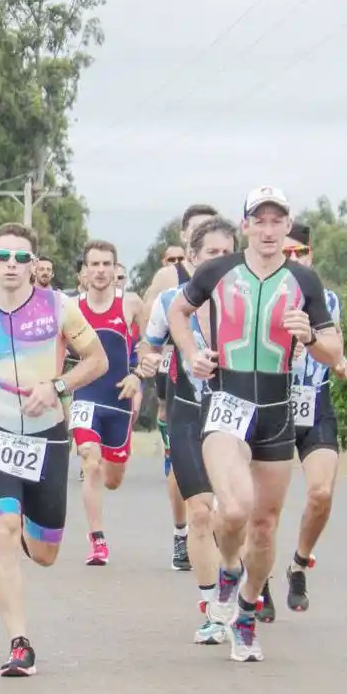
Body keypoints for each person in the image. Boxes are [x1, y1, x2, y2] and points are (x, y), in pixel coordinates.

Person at [168, 186, 342, 663]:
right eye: (259, 221)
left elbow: (334, 350)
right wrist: (190, 352)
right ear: (246, 225)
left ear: (287, 227)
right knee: (235, 507)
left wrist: (310, 336)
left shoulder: (304, 281)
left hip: (276, 411)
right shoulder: (218, 271)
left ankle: (245, 613)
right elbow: (177, 311)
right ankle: (227, 569)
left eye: (276, 221)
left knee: (264, 528)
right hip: (227, 402)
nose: (267, 230)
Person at [0, 222, 108, 677]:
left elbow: (97, 361)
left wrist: (57, 386)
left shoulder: (59, 307)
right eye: (4, 257)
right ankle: (19, 643)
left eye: (21, 258)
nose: (11, 266)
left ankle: (35, 532)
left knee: (46, 552)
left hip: (48, 436)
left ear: (34, 265)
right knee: (2, 531)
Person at [145, 216, 238, 643]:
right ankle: (214, 610)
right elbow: (149, 345)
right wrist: (145, 361)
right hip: (187, 414)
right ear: (194, 258)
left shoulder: (249, 301)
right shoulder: (169, 301)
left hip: (237, 419)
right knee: (201, 511)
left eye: (227, 253)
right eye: (211, 254)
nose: (220, 261)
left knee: (237, 516)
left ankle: (239, 580)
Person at [258, 222, 347, 620]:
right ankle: (257, 578)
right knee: (265, 511)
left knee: (321, 494)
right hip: (270, 407)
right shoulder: (258, 295)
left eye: (302, 253)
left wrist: (336, 358)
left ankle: (298, 564)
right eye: (288, 253)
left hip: (314, 405)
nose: (295, 260)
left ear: (311, 256)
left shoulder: (327, 299)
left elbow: (335, 349)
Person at [141, 204, 219, 567]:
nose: (209, 241)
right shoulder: (167, 280)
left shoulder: (233, 282)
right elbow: (148, 326)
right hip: (176, 372)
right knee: (180, 459)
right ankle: (180, 531)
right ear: (186, 239)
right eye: (200, 232)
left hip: (224, 383)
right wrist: (148, 357)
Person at [70, 239, 143, 565]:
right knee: (90, 460)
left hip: (119, 401)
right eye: (94, 265)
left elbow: (149, 345)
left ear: (116, 270)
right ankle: (97, 540)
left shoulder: (130, 304)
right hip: (85, 396)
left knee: (112, 478)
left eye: (106, 265)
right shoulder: (72, 308)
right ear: (84, 272)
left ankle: (109, 468)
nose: (100, 271)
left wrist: (138, 375)